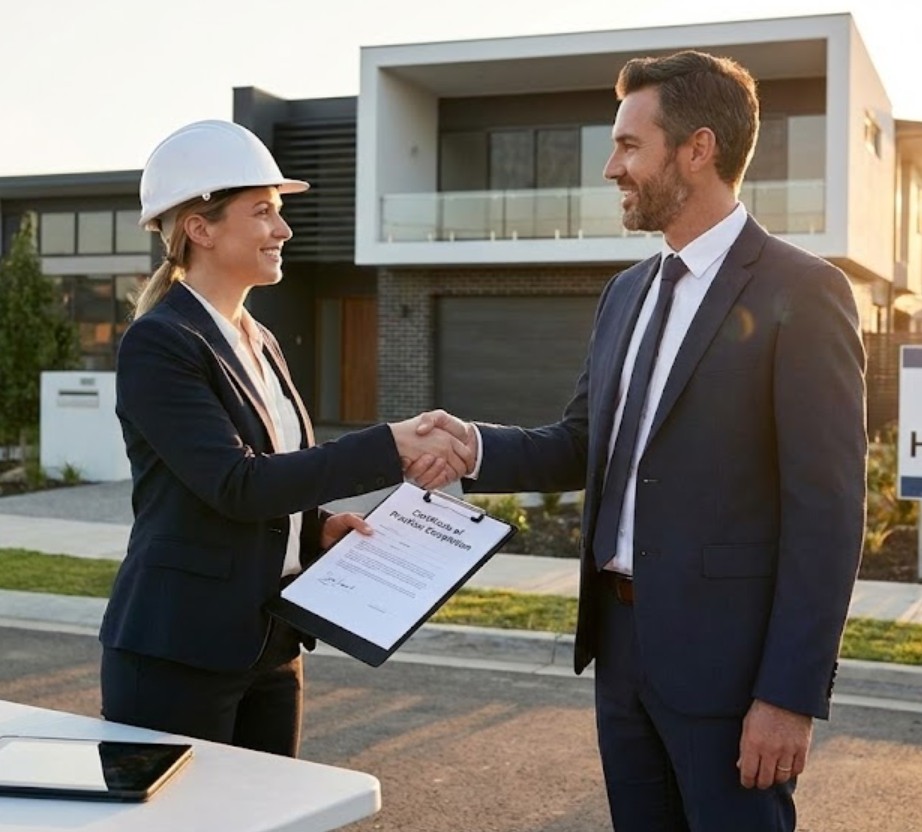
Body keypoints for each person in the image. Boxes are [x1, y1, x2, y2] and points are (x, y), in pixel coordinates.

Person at [416, 51, 867, 830]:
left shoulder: (806, 291)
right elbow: (582, 442)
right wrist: (473, 447)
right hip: (621, 653)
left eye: (629, 146)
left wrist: (789, 694)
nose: (609, 168)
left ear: (698, 149)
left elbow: (827, 513)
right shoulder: (626, 293)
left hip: (731, 673)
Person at [99, 119, 473, 758]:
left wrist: (314, 527)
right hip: (179, 652)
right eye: (264, 212)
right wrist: (388, 445)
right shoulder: (160, 343)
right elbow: (235, 484)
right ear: (201, 228)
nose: (284, 230)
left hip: (271, 642)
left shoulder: (260, 339)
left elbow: (275, 472)